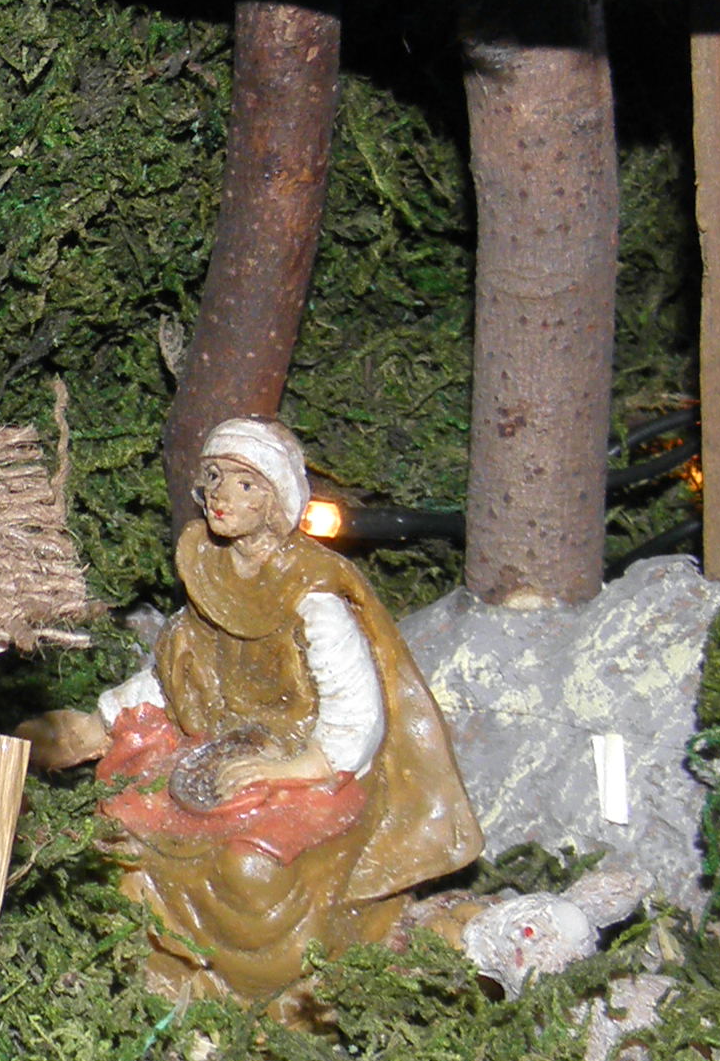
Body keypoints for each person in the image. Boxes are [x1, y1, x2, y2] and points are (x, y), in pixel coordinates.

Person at [100, 420, 480, 1002]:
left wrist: (292, 768)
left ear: (277, 501)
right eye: (215, 478)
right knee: (125, 826)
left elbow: (356, 713)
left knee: (249, 867)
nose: (223, 496)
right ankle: (169, 971)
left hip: (317, 765)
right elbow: (177, 664)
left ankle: (269, 989)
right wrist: (107, 717)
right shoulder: (209, 569)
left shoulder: (312, 593)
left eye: (246, 485)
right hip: (223, 744)